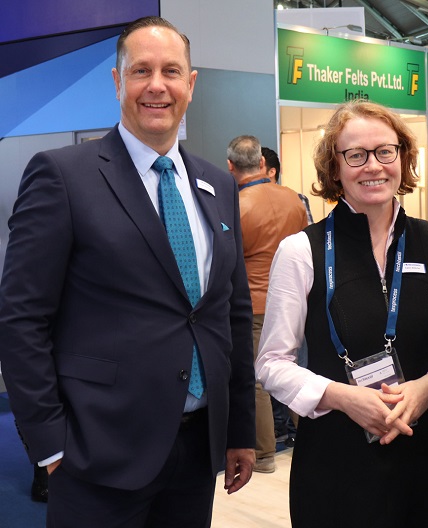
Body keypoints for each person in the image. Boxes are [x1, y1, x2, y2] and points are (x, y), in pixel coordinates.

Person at [0, 16, 256, 527]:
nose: (156, 86)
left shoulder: (215, 183)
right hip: (98, 454)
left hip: (195, 450)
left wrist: (240, 430)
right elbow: (21, 318)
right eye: (141, 71)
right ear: (118, 82)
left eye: (171, 71)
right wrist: (49, 444)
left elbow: (230, 314)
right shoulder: (63, 176)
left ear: (191, 83)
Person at [256, 100, 428, 527]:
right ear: (334, 168)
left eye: (386, 151)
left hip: (423, 450)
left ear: (403, 157)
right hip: (336, 456)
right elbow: (272, 364)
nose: (373, 166)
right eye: (356, 155)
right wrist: (344, 398)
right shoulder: (302, 250)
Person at [227, 135, 308, 473]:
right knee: (295, 370)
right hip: (294, 297)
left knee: (258, 379)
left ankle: (263, 454)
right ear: (262, 163)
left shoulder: (237, 205)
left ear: (230, 167)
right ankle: (307, 440)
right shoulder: (294, 199)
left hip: (254, 302)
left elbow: (227, 259)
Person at [262, 146, 314, 224]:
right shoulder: (248, 201)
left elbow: (309, 233)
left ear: (272, 172)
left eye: (258, 168)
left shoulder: (298, 200)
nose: (252, 174)